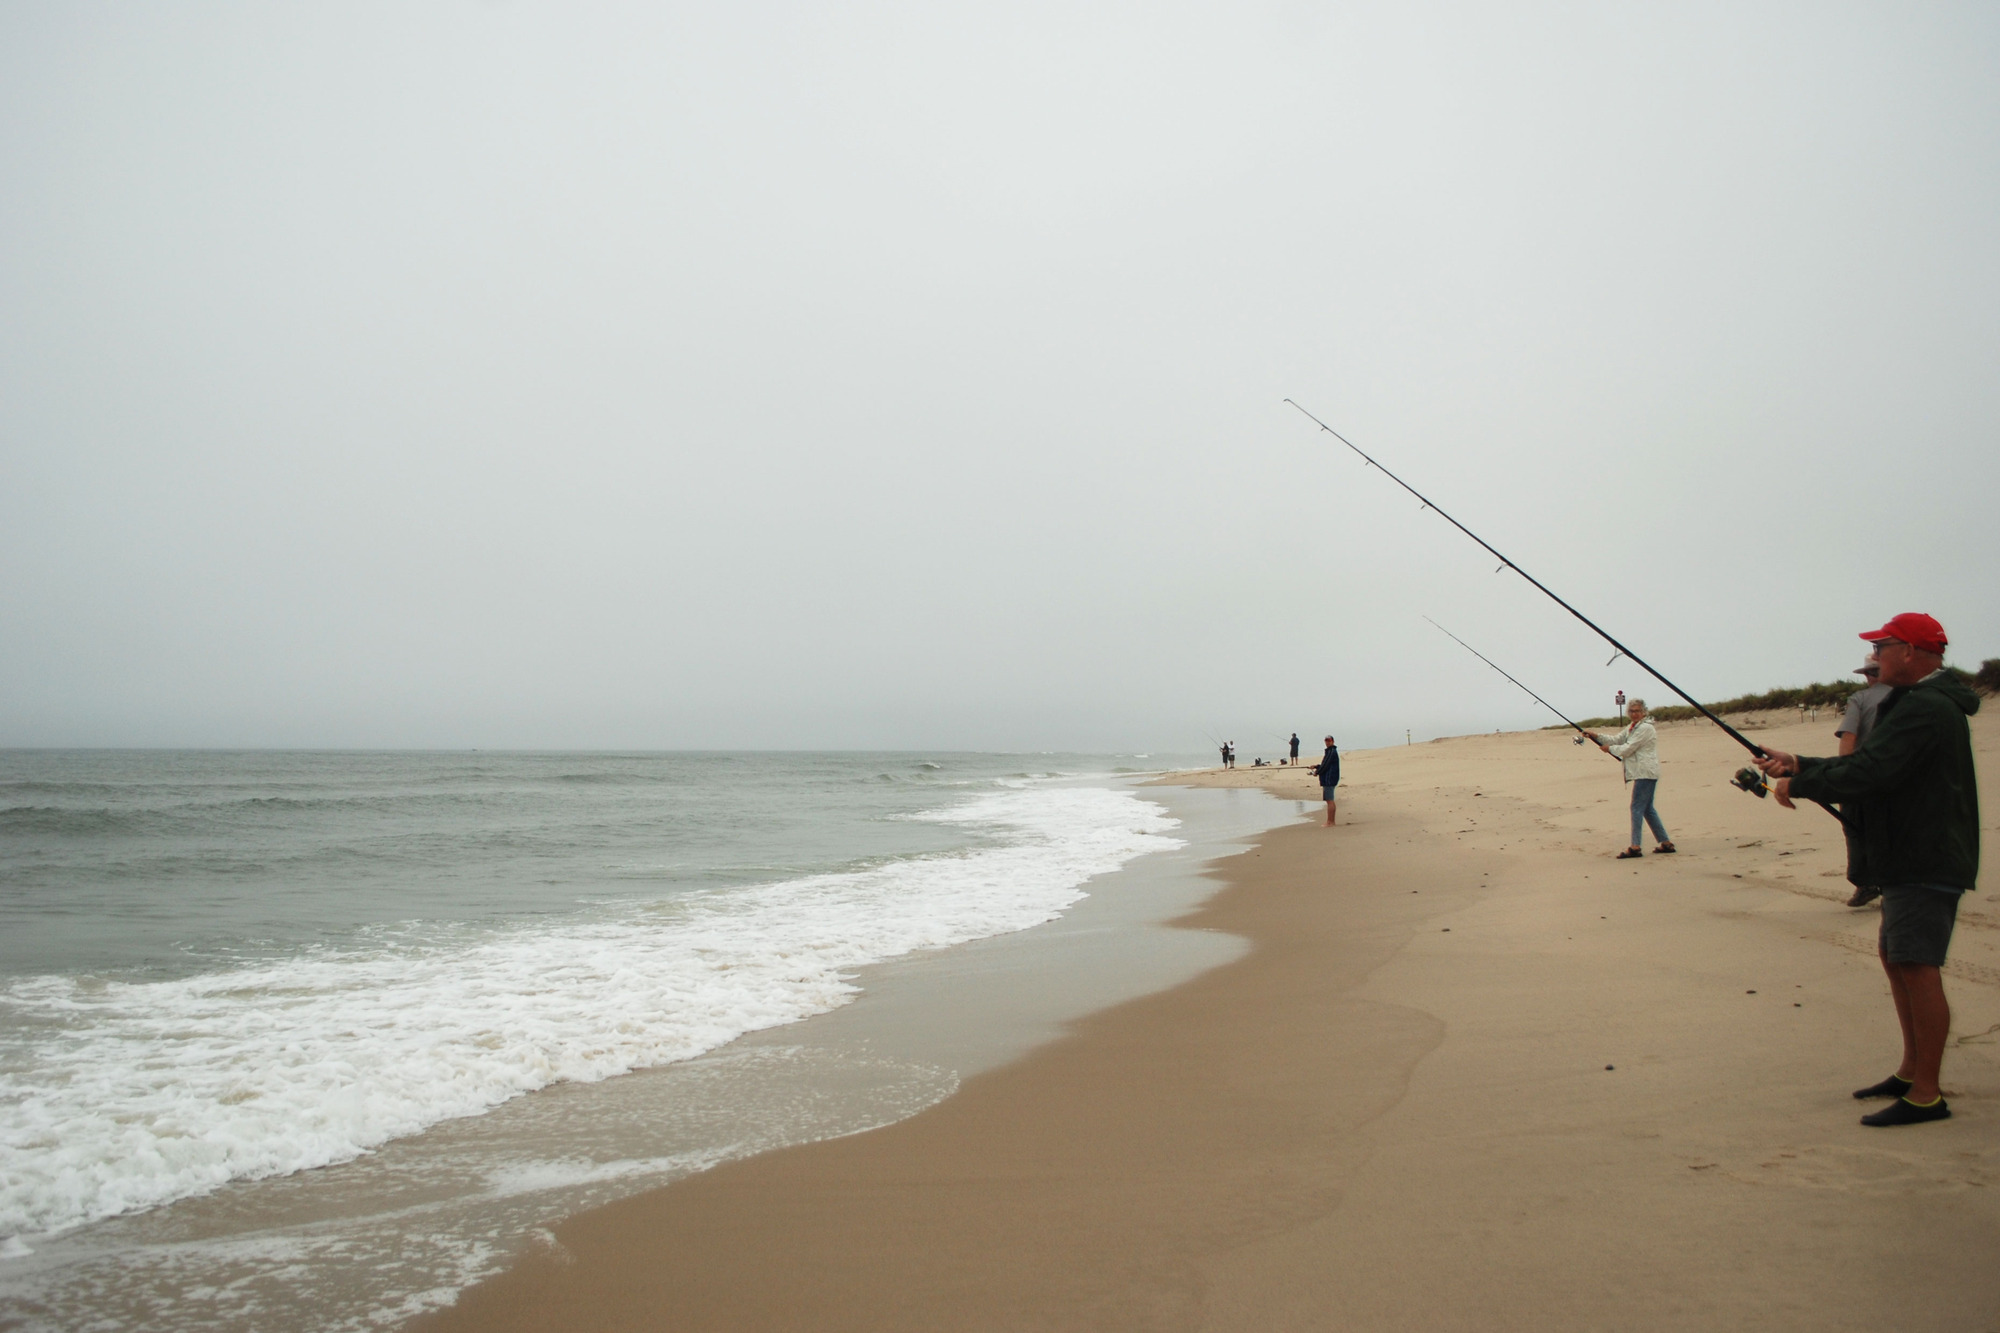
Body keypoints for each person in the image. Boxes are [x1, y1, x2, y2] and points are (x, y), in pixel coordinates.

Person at [1753, 612, 1979, 1127]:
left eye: (1882, 646)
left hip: (1926, 854)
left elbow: (1874, 772)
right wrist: (1801, 765)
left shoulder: (1928, 707)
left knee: (1918, 965)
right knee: (1896, 956)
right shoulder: (1913, 703)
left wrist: (1799, 785)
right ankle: (1909, 1070)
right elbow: (1871, 763)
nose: (1873, 656)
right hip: (1907, 852)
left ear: (1911, 651)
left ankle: (1927, 1094)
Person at [1834, 650, 1892, 908]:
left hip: (1863, 776)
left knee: (1855, 829)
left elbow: (1848, 740)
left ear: (1871, 674)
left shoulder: (1860, 699)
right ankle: (1893, 883)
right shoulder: (1911, 698)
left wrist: (1843, 776)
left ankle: (1865, 883)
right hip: (1897, 778)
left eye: (1870, 672)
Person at [1584, 698, 1675, 858]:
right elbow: (1617, 739)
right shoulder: (1632, 727)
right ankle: (1665, 843)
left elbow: (1628, 748)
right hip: (1642, 772)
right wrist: (1595, 735)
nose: (1634, 714)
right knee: (1647, 809)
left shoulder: (1645, 728)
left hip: (1645, 772)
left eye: (1637, 711)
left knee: (1637, 808)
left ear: (1644, 712)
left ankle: (1635, 846)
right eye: (1632, 711)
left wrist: (1610, 749)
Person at [1310, 735, 1339, 826]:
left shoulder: (1331, 751)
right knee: (1329, 800)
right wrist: (1316, 766)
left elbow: (1326, 765)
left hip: (1329, 779)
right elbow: (1325, 764)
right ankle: (1331, 821)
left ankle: (1330, 822)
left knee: (1329, 800)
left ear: (1333, 741)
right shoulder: (1330, 751)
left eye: (1329, 740)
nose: (1327, 742)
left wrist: (1317, 772)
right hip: (1329, 778)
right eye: (1326, 741)